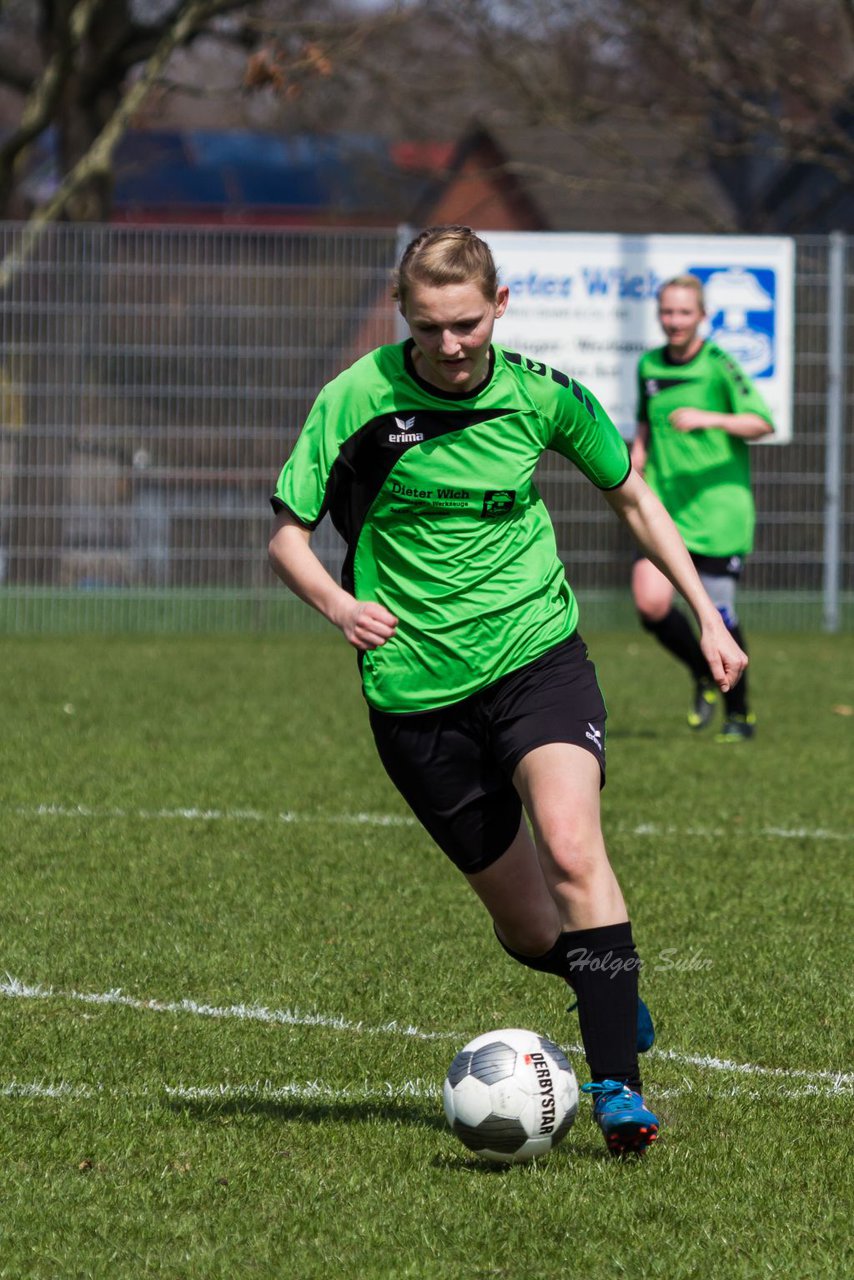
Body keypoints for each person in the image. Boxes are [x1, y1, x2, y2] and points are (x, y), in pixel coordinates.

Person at [268, 226, 747, 1157]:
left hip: (538, 658)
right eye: (429, 327)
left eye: (466, 325)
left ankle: (618, 1089)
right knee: (529, 928)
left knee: (574, 847)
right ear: (406, 316)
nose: (450, 346)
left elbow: (635, 498)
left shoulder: (541, 396)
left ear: (499, 307)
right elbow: (288, 531)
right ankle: (609, 992)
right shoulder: (356, 399)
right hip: (415, 695)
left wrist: (709, 618)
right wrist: (336, 603)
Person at [631, 274, 775, 741]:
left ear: (702, 317)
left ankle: (740, 715)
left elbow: (761, 422)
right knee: (651, 604)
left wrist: (709, 418)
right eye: (667, 312)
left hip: (718, 512)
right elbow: (645, 428)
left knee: (719, 615)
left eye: (684, 313)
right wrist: (634, 465)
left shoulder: (719, 365)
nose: (674, 321)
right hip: (665, 509)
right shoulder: (649, 366)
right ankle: (701, 671)